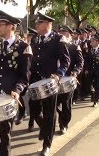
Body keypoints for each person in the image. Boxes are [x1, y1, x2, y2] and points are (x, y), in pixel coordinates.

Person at [0, 10, 32, 156]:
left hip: (9, 95)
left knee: (5, 133)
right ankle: (1, 149)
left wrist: (17, 89)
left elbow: (25, 75)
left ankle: (3, 151)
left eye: (1, 25)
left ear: (11, 26)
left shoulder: (23, 47)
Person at [28, 12, 70, 156]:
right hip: (35, 81)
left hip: (50, 82)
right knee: (33, 111)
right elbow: (33, 60)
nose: (36, 26)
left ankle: (47, 144)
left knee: (49, 113)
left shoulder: (58, 39)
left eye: (39, 23)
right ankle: (45, 128)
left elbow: (65, 61)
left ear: (47, 24)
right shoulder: (35, 39)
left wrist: (58, 75)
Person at [56, 25, 83, 135]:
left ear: (69, 34)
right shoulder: (55, 45)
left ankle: (64, 124)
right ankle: (58, 119)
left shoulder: (74, 47)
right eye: (60, 31)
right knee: (55, 104)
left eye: (64, 32)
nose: (61, 34)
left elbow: (80, 63)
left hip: (68, 79)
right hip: (55, 79)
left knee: (66, 103)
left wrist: (75, 71)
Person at [15, 27, 38, 126]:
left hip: (33, 76)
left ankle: (31, 121)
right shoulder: (23, 45)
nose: (29, 37)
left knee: (33, 101)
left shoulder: (36, 46)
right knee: (18, 94)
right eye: (28, 35)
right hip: (24, 75)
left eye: (31, 36)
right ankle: (22, 112)